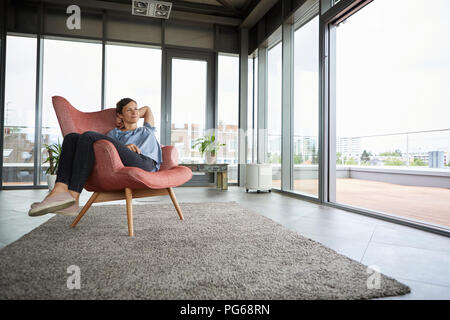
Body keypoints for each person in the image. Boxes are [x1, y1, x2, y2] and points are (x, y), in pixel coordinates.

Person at [28, 98, 162, 217]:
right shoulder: (115, 134)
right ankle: (60, 189)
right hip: (126, 162)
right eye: (129, 110)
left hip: (146, 163)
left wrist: (134, 111)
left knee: (89, 135)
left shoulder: (146, 129)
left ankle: (73, 198)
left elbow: (148, 110)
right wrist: (124, 148)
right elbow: (105, 153)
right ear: (120, 115)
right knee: (71, 137)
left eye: (136, 109)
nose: (134, 112)